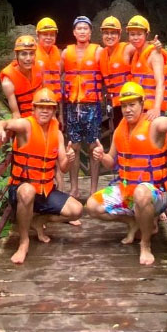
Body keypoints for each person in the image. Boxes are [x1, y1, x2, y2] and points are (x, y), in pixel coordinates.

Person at [86, 81, 167, 266]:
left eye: (132, 104)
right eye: (124, 105)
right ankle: (134, 222)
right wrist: (101, 156)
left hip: (155, 193)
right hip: (127, 190)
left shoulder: (153, 123)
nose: (128, 110)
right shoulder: (120, 129)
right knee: (92, 205)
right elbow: (111, 162)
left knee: (142, 193)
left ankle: (145, 245)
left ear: (142, 103)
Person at [0, 87, 83, 265]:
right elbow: (4, 123)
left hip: (46, 189)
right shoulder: (26, 125)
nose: (44, 110)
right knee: (27, 191)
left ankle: (38, 220)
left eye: (48, 107)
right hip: (22, 189)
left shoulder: (57, 134)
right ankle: (24, 241)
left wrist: (70, 158)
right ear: (33, 109)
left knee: (77, 210)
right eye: (40, 107)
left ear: (53, 111)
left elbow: (63, 168)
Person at [61, 15, 104, 199]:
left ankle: (94, 189)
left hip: (92, 105)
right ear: (74, 32)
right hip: (72, 106)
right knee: (74, 147)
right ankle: (74, 188)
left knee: (94, 146)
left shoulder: (98, 51)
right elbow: (57, 78)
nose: (82, 31)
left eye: (85, 28)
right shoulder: (65, 53)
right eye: (79, 28)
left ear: (90, 32)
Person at [126, 15, 167, 121]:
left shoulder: (155, 54)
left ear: (146, 34)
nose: (135, 38)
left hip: (152, 112)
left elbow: (160, 83)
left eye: (139, 34)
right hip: (140, 110)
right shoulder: (137, 55)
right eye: (132, 34)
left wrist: (157, 109)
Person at [99, 15, 133, 128]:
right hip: (113, 103)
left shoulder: (127, 49)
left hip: (129, 102)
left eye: (113, 33)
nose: (109, 36)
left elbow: (143, 46)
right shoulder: (101, 54)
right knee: (118, 134)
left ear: (119, 35)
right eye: (106, 33)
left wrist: (156, 45)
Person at [0, 34, 43, 117]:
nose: (28, 58)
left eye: (31, 53)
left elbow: (45, 95)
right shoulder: (8, 81)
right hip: (25, 120)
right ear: (16, 56)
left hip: (43, 115)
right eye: (24, 54)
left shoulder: (40, 67)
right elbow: (16, 114)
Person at [35, 17, 63, 110]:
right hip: (39, 103)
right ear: (38, 35)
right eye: (45, 34)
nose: (48, 37)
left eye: (52, 35)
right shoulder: (31, 53)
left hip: (55, 101)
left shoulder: (57, 52)